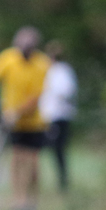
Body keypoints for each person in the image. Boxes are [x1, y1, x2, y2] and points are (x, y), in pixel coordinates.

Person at [0, 26, 51, 210]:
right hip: (12, 121)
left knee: (31, 161)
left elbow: (36, 97)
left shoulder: (42, 64)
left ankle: (32, 198)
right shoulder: (9, 58)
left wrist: (18, 111)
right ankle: (18, 199)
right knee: (16, 158)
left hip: (34, 121)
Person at [38, 41, 77, 193]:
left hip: (58, 116)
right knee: (51, 150)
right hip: (50, 116)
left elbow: (65, 92)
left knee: (57, 150)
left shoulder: (61, 71)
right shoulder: (52, 70)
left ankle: (62, 182)